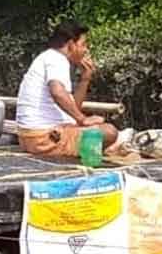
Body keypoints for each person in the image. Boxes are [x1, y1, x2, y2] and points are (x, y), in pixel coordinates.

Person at [15, 20, 121, 158]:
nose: (86, 50)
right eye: (83, 44)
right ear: (71, 45)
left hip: (33, 137)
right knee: (109, 132)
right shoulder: (56, 59)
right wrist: (82, 119)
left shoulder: (49, 58)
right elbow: (57, 92)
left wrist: (85, 78)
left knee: (98, 131)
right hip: (44, 139)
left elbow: (72, 109)